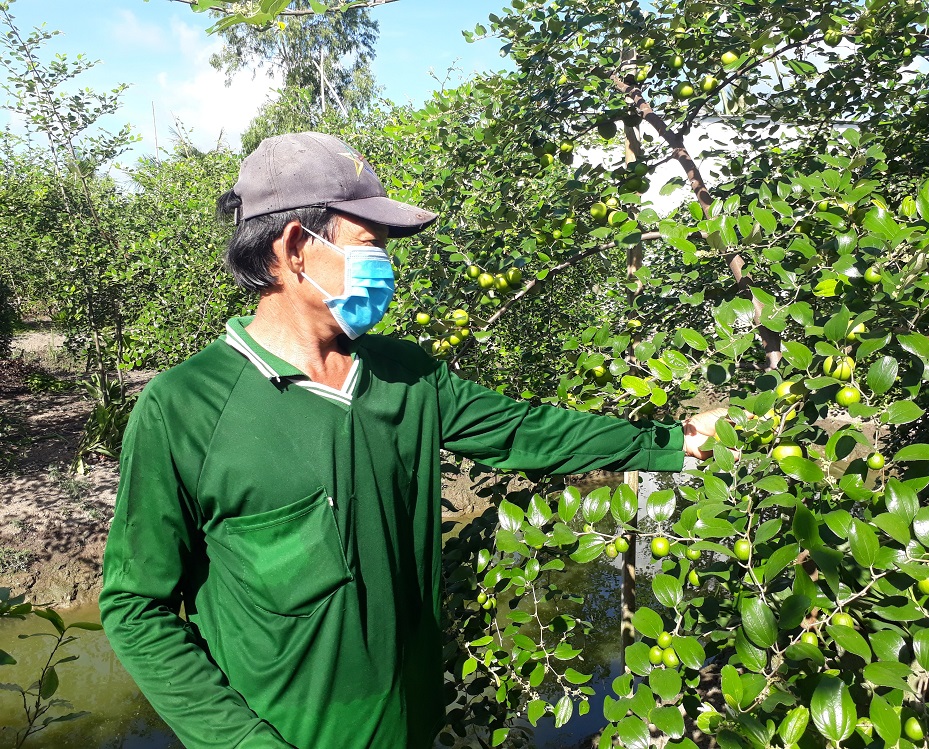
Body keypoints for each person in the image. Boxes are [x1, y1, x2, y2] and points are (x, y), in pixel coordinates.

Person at [100, 132, 722, 749]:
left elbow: (524, 430)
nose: (385, 268)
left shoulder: (406, 376)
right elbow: (136, 609)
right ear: (294, 248)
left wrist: (678, 440)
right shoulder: (185, 409)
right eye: (369, 245)